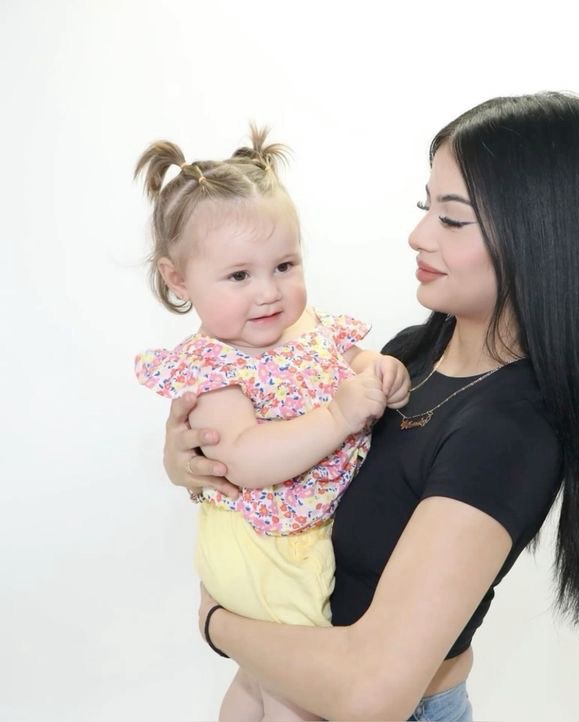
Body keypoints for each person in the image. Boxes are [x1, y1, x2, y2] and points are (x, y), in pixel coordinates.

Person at [162, 92, 579, 721]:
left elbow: (372, 693)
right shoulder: (407, 356)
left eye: (452, 219)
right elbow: (277, 461)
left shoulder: (512, 429)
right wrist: (193, 461)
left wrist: (217, 624)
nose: (418, 236)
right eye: (426, 208)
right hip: (283, 683)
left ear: (540, 234)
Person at [133, 127, 410, 722]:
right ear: (178, 280)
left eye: (284, 265)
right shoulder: (217, 366)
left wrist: (378, 370)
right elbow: (245, 460)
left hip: (285, 539)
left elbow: (343, 359)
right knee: (300, 687)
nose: (268, 293)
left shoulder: (303, 326)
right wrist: (337, 414)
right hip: (267, 545)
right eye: (239, 276)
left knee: (260, 680)